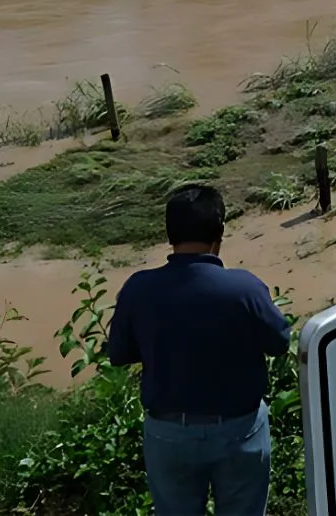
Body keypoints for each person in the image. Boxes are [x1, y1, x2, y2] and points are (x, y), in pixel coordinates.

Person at [108, 184, 291, 516]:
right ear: (219, 231)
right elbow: (279, 342)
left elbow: (119, 353)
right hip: (240, 431)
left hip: (168, 434)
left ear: (169, 234)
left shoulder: (138, 288)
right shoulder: (244, 288)